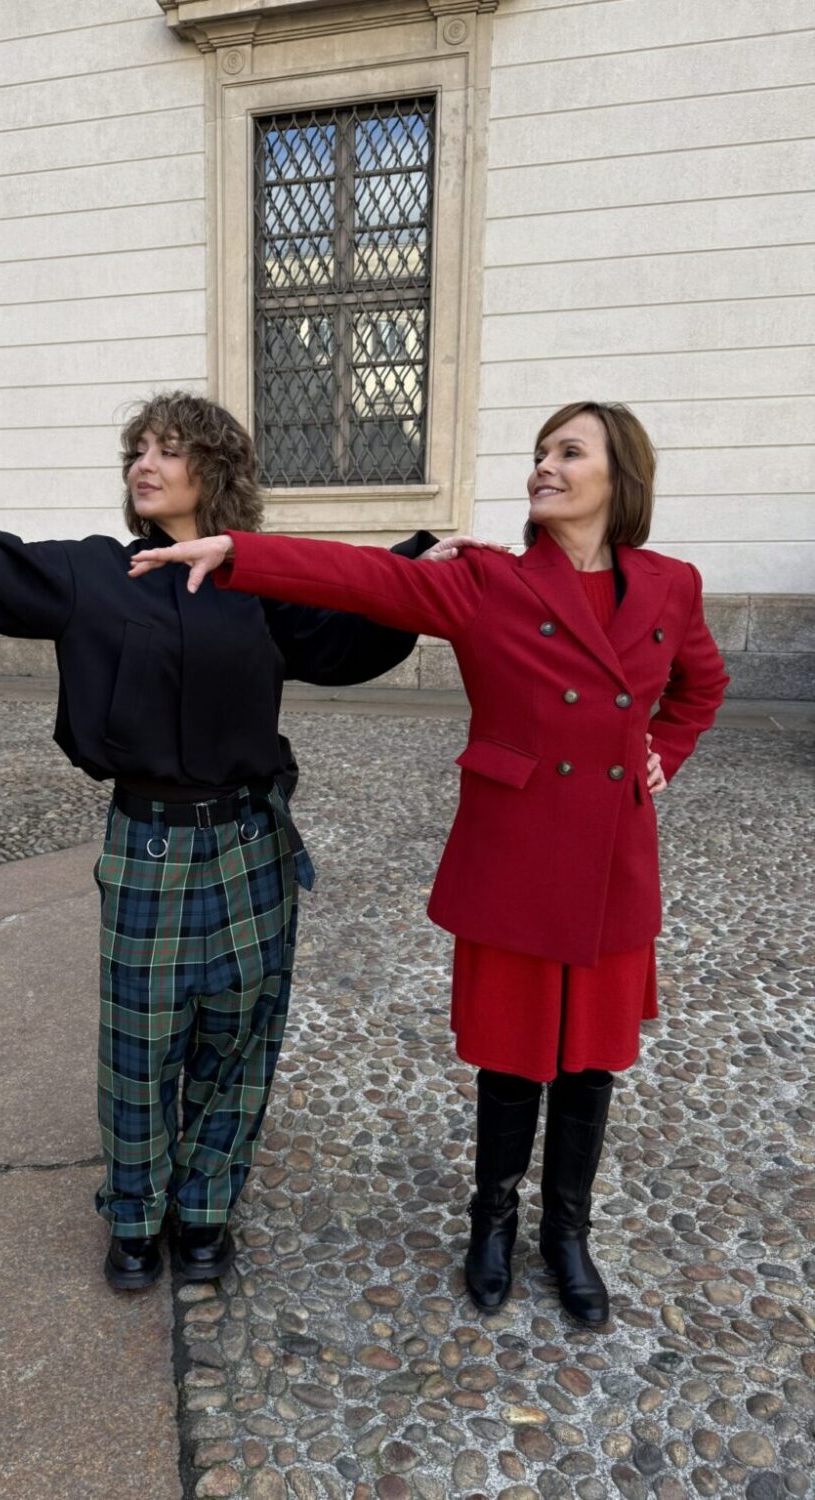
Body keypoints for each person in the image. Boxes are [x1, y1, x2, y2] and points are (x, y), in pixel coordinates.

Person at [0, 391, 486, 1292]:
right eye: (137, 450)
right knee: (140, 1051)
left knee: (239, 1040)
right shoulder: (92, 574)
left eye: (169, 449)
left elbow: (347, 633)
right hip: (150, 847)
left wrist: (422, 570)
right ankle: (136, 1217)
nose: (145, 464)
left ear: (215, 470)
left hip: (251, 843)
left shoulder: (260, 581)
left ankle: (205, 1210)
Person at [128, 401, 730, 1324]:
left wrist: (665, 751)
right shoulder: (487, 582)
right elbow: (363, 577)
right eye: (539, 452)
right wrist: (238, 552)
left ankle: (566, 1234)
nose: (544, 466)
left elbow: (702, 683)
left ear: (621, 478)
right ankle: (491, 1221)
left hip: (614, 860)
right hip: (519, 855)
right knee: (514, 1057)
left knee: (589, 1063)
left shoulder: (670, 585)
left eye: (569, 452)